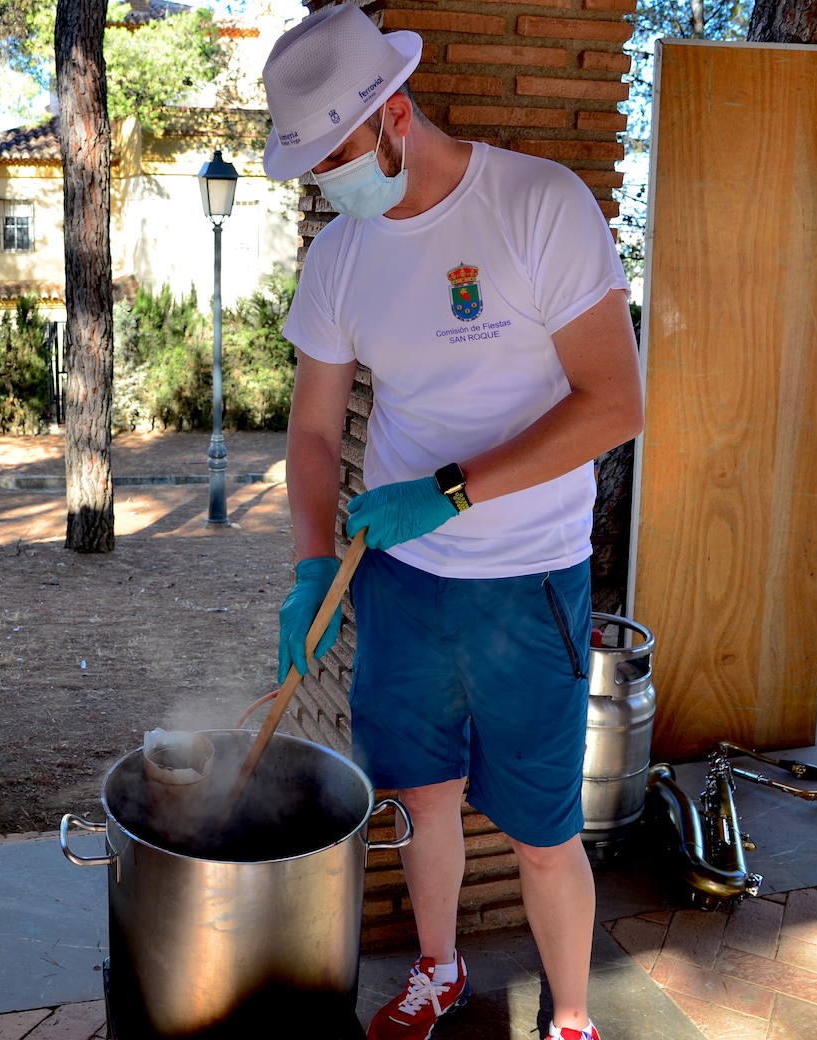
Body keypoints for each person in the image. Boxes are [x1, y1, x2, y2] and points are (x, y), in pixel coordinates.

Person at [262, 7, 644, 1040]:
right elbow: (310, 433)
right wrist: (310, 569)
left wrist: (455, 487)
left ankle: (569, 1015)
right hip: (405, 587)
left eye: (332, 158)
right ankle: (438, 967)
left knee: (543, 827)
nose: (324, 185)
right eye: (308, 168)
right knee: (423, 800)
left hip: (529, 583)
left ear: (396, 113)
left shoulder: (537, 204)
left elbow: (615, 402)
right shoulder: (341, 254)